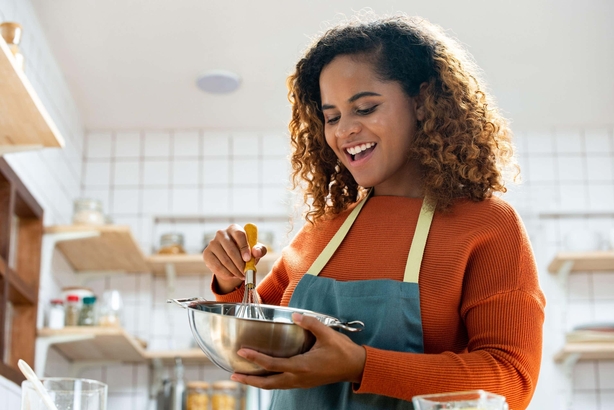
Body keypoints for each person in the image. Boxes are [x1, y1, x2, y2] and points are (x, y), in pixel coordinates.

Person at [203, 13, 545, 410]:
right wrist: (231, 282)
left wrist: (361, 365)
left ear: (421, 102)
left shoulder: (486, 225)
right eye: (332, 117)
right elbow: (253, 344)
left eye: (364, 108)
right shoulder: (321, 232)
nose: (343, 130)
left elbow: (511, 379)